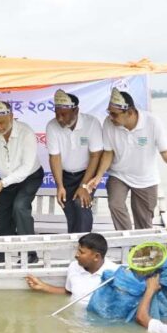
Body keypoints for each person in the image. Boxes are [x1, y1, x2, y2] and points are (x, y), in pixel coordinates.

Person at [85, 87, 167, 230]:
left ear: (130, 112)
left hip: (146, 177)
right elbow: (108, 153)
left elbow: (165, 151)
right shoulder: (108, 123)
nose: (110, 117)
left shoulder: (152, 122)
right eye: (109, 113)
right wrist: (99, 176)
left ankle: (142, 246)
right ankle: (127, 239)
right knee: (115, 204)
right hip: (119, 174)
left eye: (114, 114)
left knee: (143, 219)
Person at [0, 98, 44, 263]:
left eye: (1, 123)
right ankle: (2, 258)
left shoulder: (26, 132)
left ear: (11, 117)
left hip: (30, 176)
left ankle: (30, 255)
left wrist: (3, 183)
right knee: (3, 215)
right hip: (6, 180)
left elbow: (26, 167)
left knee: (20, 207)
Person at [46, 89, 103, 233]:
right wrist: (59, 186)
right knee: (69, 209)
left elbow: (95, 156)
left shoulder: (91, 123)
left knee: (81, 203)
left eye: (63, 114)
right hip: (65, 175)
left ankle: (85, 244)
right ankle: (77, 247)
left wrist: (84, 186)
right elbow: (55, 157)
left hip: (87, 173)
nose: (59, 118)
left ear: (76, 111)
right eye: (57, 114)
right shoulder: (52, 126)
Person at [25, 233, 117, 305]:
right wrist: (43, 286)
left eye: (81, 252)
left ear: (96, 257)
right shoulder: (74, 266)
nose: (76, 255)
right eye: (77, 250)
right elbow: (69, 292)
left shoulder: (115, 273)